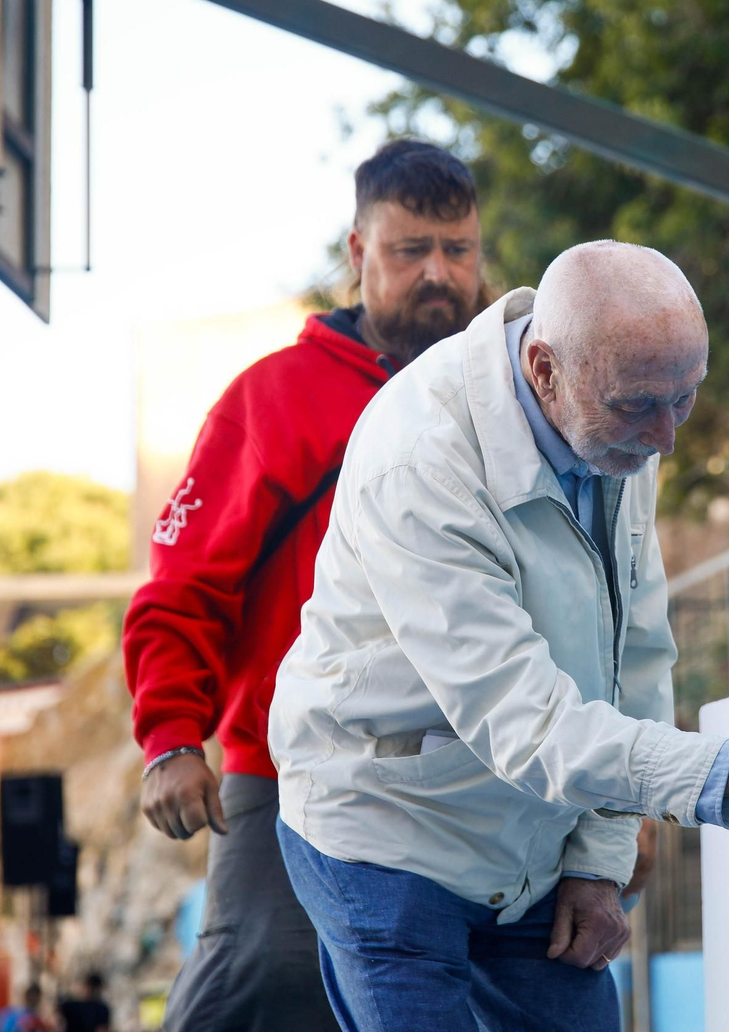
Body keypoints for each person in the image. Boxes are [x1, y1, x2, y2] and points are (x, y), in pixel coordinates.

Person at [270, 241, 729, 1030]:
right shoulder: (418, 462)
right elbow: (525, 719)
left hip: (531, 841)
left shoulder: (612, 410)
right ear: (545, 368)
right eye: (642, 405)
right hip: (388, 836)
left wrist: (598, 862)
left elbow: (635, 656)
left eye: (686, 399)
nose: (665, 438)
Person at [122, 139, 485, 1031]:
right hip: (293, 775)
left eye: (459, 250)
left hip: (478, 781)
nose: (438, 273)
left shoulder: (509, 395)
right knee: (254, 991)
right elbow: (182, 588)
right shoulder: (271, 399)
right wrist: (172, 736)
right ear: (358, 253)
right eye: (410, 251)